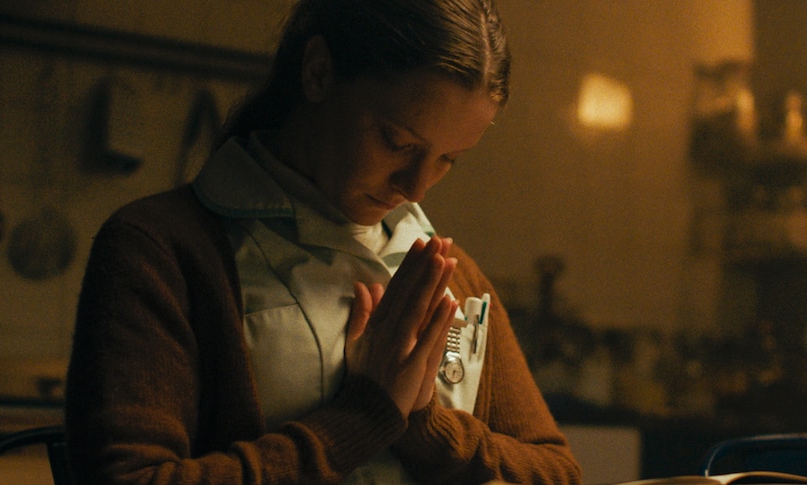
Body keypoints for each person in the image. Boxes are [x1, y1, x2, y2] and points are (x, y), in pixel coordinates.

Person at [65, 0, 582, 483]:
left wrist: (423, 422)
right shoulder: (162, 250)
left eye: (448, 159)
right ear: (317, 71)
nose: (416, 187)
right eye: (397, 142)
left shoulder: (449, 271)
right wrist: (366, 415)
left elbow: (557, 470)